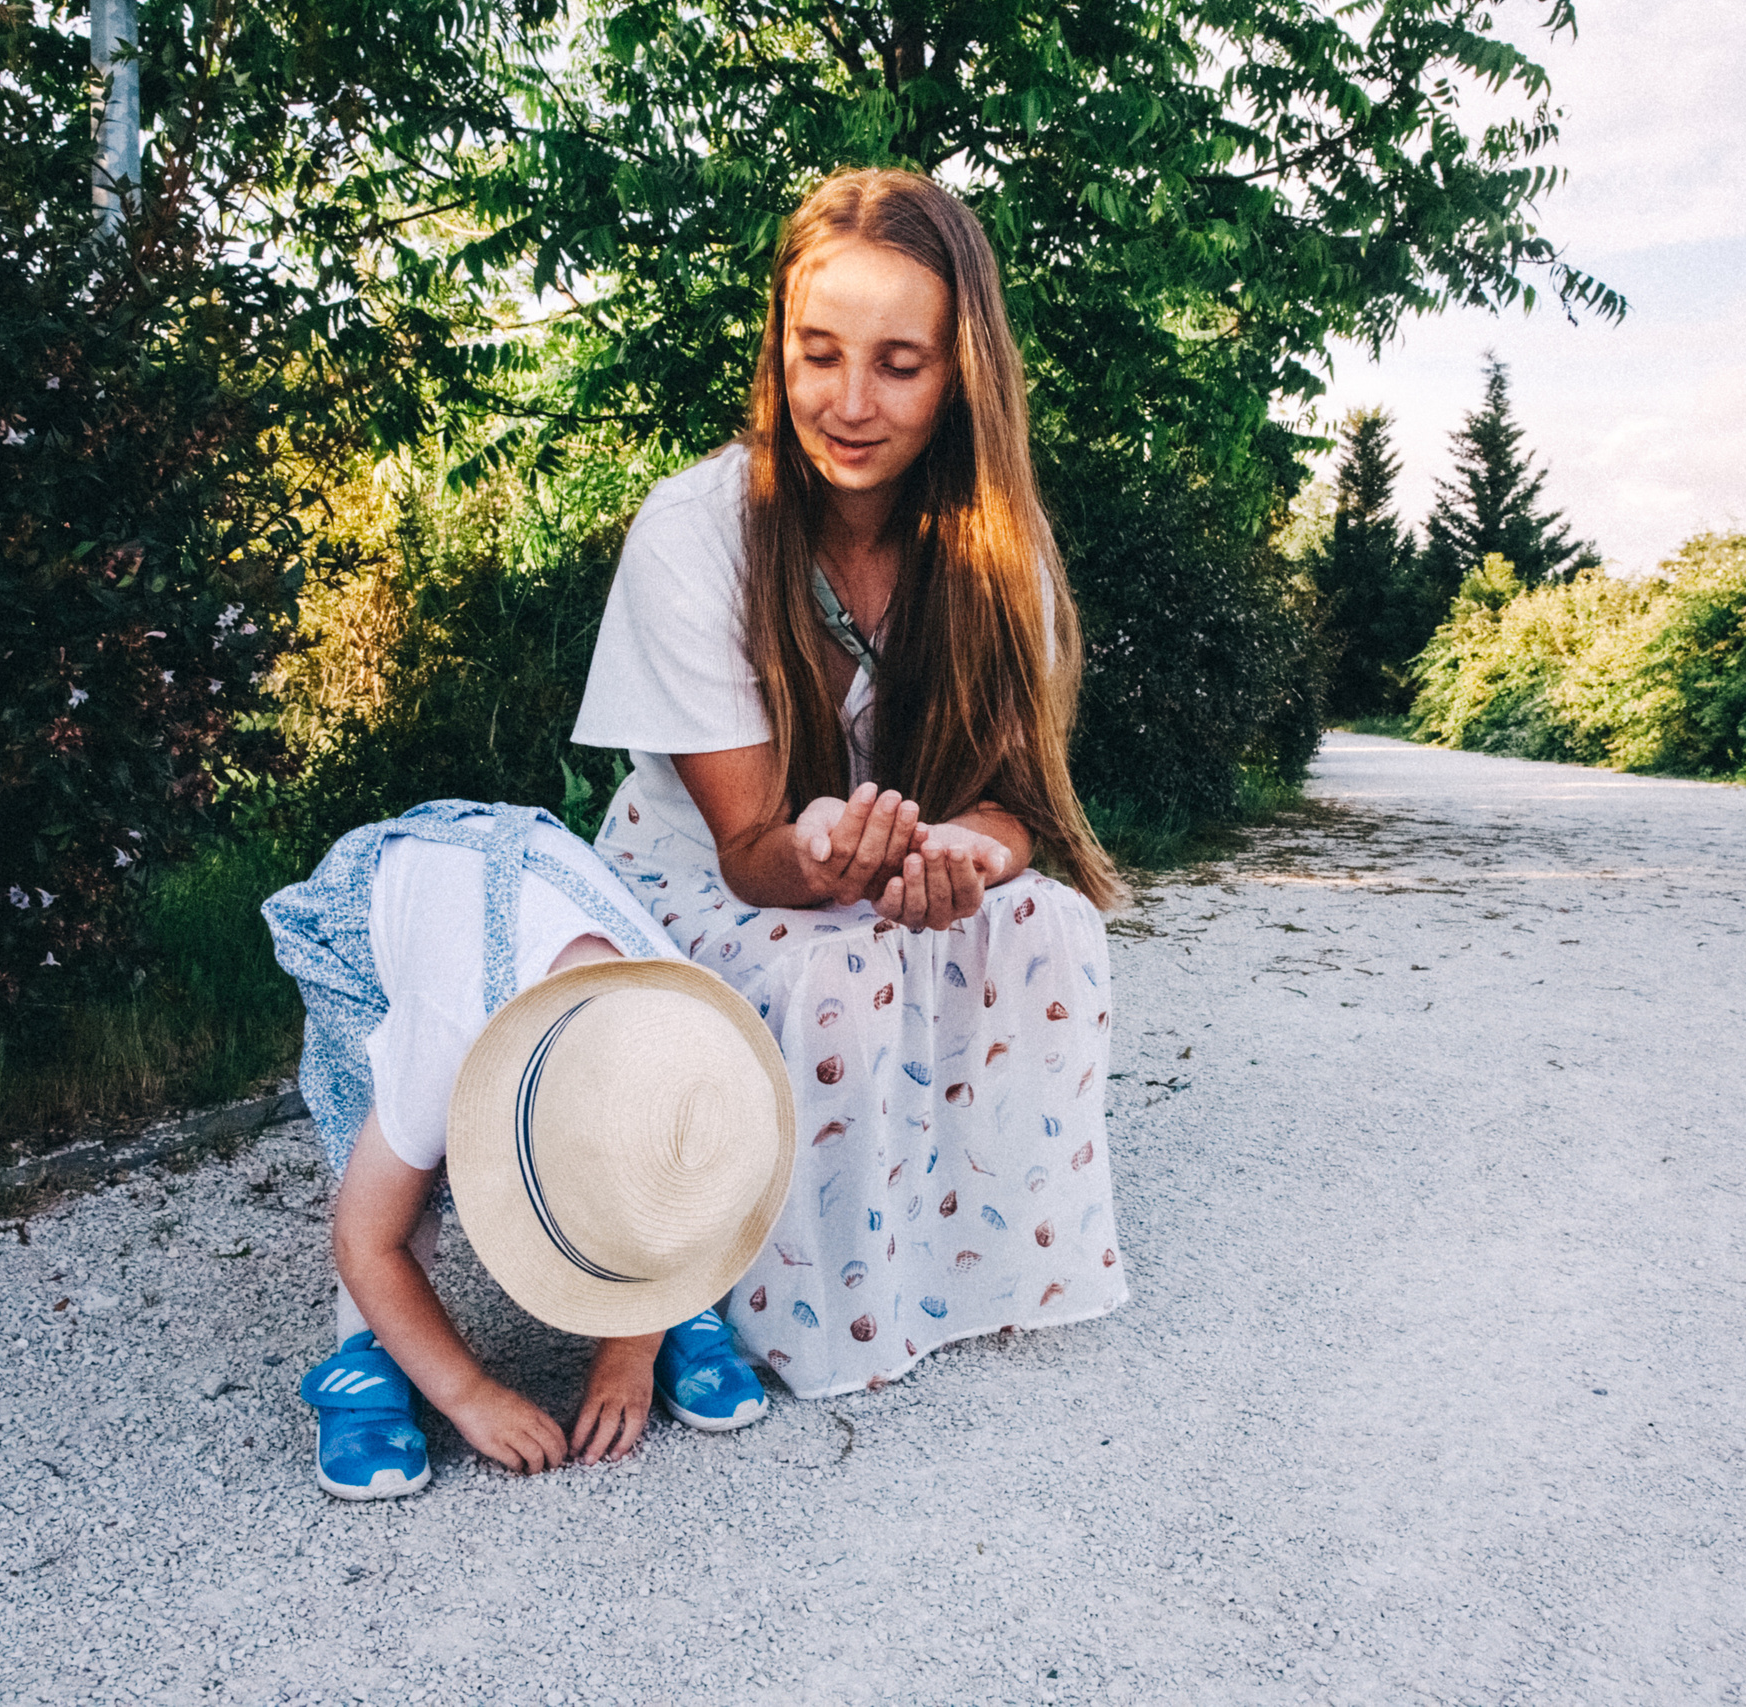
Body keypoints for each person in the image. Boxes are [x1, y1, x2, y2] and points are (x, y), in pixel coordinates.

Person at [571, 168, 1129, 1401]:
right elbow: (750, 853)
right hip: (703, 888)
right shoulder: (695, 531)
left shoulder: (996, 550)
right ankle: (794, 1297)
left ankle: (957, 1260)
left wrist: (964, 858)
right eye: (817, 354)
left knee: (1054, 927)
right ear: (777, 350)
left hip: (886, 867)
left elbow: (1017, 808)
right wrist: (831, 856)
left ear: (961, 375)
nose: (850, 404)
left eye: (899, 363)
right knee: (834, 964)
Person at [262, 801, 795, 1497]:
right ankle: (369, 1354)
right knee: (398, 1168)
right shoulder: (446, 1034)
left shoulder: (685, 1024)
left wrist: (632, 1348)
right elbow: (366, 1241)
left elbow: (677, 1164)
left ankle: (652, 1297)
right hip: (376, 909)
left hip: (527, 877)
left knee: (673, 1153)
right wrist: (468, 1393)